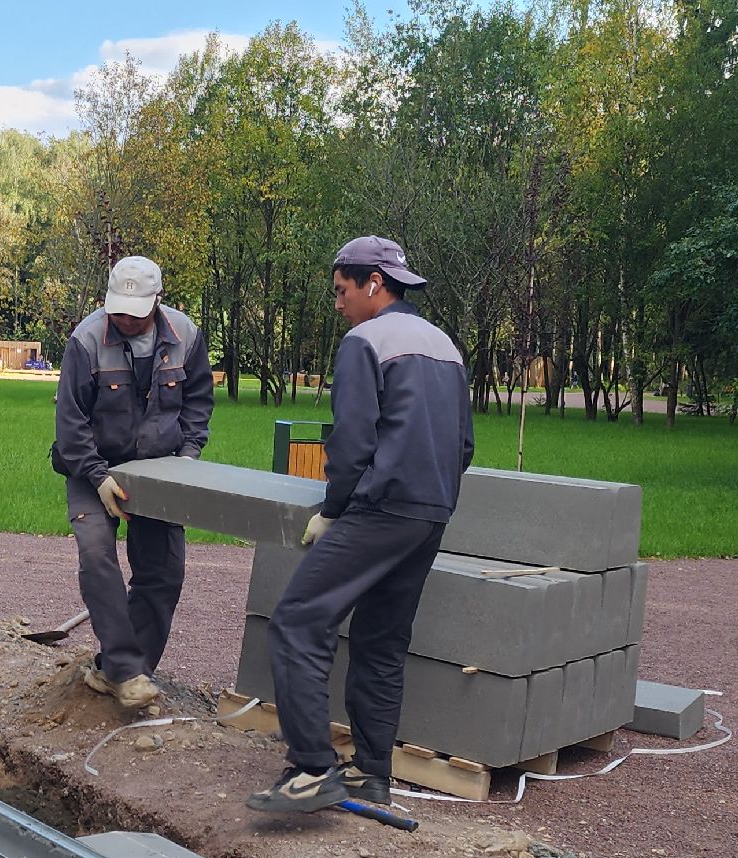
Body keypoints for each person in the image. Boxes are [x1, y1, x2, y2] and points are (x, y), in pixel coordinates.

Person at [247, 237, 473, 814]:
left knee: (298, 620)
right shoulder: (444, 345)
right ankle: (371, 775)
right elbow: (464, 444)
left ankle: (312, 768)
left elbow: (350, 442)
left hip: (379, 509)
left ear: (374, 282)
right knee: (380, 640)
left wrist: (336, 509)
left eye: (342, 291)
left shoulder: (364, 342)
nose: (339, 304)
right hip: (431, 513)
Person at [50, 255, 213, 710]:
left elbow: (199, 400)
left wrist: (188, 455)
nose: (123, 319)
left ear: (157, 301)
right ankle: (124, 668)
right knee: (98, 558)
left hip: (159, 469)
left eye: (133, 311)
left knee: (164, 573)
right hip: (91, 467)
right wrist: (98, 476)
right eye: (117, 309)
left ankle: (126, 670)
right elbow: (71, 422)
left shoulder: (186, 336)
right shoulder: (85, 340)